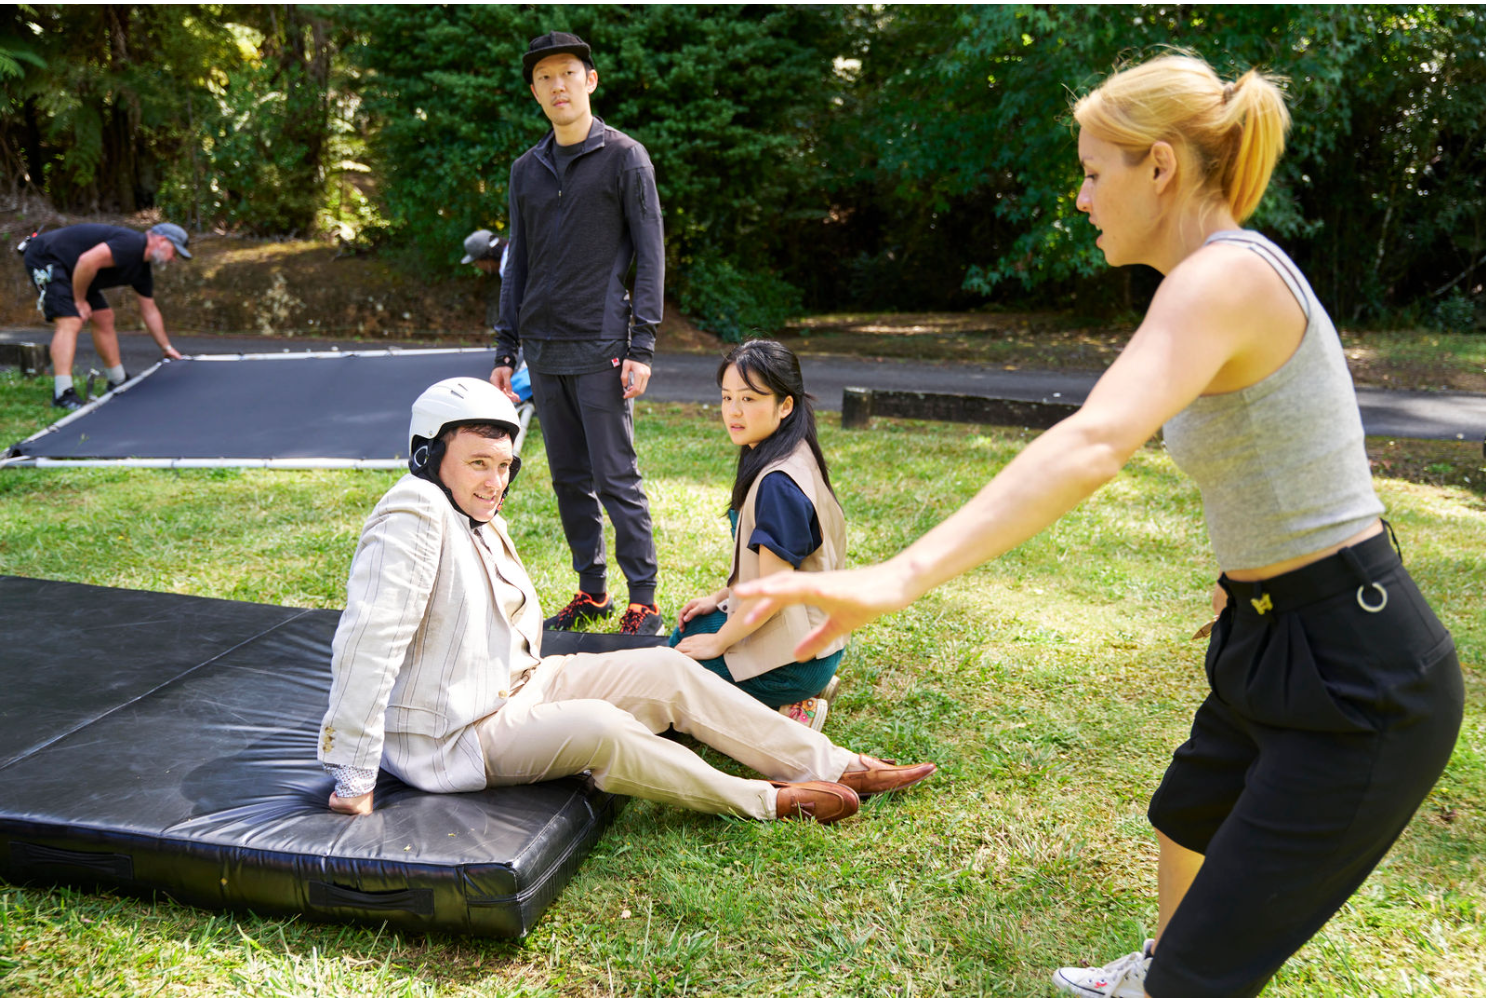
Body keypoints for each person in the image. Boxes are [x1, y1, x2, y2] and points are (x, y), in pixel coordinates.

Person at [734, 53, 1463, 998]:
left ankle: (1175, 979)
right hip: (1275, 630)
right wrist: (1248, 575)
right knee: (1186, 812)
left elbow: (1094, 441)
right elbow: (1294, 444)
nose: (1081, 198)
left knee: (1205, 978)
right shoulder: (1210, 281)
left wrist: (897, 576)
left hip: (1358, 680)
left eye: (1091, 171)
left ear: (1158, 166)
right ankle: (1157, 965)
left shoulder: (1223, 279)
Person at [317, 377, 936, 827]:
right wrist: (353, 776)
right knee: (603, 729)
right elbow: (368, 645)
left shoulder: (471, 508)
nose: (495, 481)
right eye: (478, 463)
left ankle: (838, 764)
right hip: (459, 732)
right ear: (428, 457)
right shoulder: (413, 510)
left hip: (522, 683)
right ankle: (764, 800)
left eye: (505, 465)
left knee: (669, 667)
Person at [489, 30, 666, 636]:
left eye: (567, 74)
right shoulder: (526, 170)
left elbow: (651, 254)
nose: (557, 85)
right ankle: (592, 593)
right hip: (541, 349)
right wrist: (505, 347)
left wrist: (641, 345)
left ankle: (642, 597)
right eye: (544, 78)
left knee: (615, 475)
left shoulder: (625, 157)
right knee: (567, 478)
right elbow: (521, 264)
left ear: (589, 81)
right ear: (535, 93)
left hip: (603, 347)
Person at [671, 341, 846, 732]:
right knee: (685, 632)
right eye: (727, 397)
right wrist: (718, 598)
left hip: (796, 658)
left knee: (672, 669)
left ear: (785, 405)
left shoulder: (778, 484)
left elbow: (773, 590)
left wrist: (719, 643)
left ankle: (788, 709)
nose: (734, 411)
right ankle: (790, 692)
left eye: (749, 399)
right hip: (817, 639)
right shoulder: (791, 450)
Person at [21, 222, 189, 411]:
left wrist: (166, 348)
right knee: (71, 320)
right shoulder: (132, 244)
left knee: (104, 317)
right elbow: (87, 261)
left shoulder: (141, 271)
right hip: (47, 256)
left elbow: (149, 310)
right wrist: (79, 300)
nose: (173, 259)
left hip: (76, 271)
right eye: (174, 252)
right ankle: (62, 393)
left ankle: (117, 380)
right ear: (162, 240)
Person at [461, 228, 510, 329]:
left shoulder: (509, 267)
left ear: (486, 257)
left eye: (476, 262)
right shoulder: (512, 253)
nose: (478, 266)